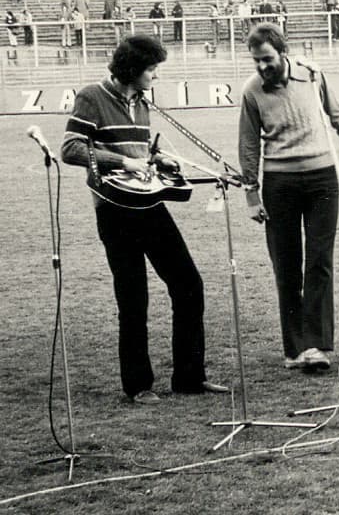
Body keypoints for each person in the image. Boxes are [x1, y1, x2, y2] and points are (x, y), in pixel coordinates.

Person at [60, 34, 228, 404]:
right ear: (133, 69)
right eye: (151, 69)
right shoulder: (92, 96)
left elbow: (142, 152)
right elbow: (71, 149)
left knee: (188, 283)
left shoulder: (143, 103)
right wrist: (123, 162)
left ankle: (189, 377)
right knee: (133, 298)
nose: (155, 75)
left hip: (149, 204)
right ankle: (138, 386)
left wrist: (158, 159)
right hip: (114, 211)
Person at [238, 23, 339, 372]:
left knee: (319, 261)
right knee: (286, 265)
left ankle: (317, 346)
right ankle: (295, 348)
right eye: (256, 62)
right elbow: (249, 146)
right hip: (279, 183)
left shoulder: (312, 76)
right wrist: (251, 193)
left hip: (323, 180)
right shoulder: (252, 91)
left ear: (283, 52)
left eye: (267, 59)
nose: (262, 67)